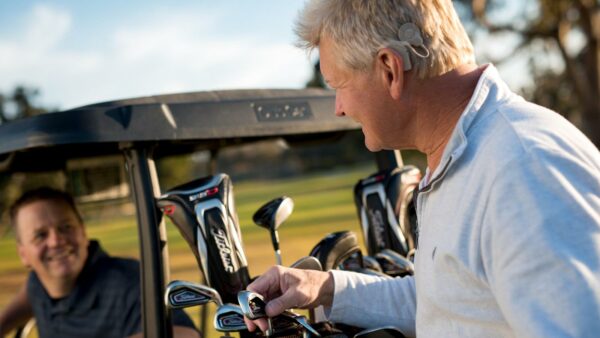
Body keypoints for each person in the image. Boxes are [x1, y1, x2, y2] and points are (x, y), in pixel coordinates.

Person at [244, 1, 600, 337]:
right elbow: (447, 301)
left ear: (390, 69)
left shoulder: (524, 170)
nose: (338, 107)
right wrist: (322, 287)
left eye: (339, 86)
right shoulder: (465, 157)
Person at [0, 187, 200, 338]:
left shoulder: (129, 279)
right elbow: (23, 301)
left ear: (83, 233)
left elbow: (187, 335)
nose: (56, 241)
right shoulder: (37, 284)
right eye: (40, 235)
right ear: (24, 254)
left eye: (66, 227)